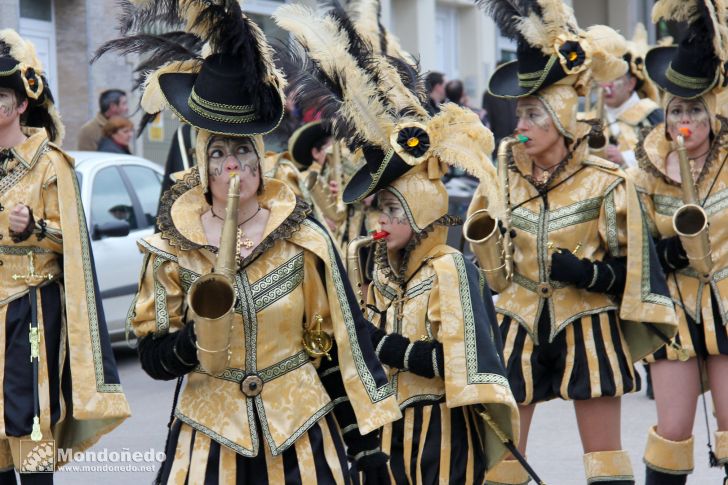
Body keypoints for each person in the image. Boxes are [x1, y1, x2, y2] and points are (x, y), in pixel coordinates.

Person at [102, 2, 401, 483]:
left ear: (261, 159)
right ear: (202, 165)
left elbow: (342, 350)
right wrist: (195, 340)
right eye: (217, 152)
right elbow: (154, 356)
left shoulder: (305, 240)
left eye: (243, 149)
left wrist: (367, 451)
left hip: (302, 433)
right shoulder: (172, 249)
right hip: (208, 437)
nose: (232, 164)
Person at [274, 3, 520, 483]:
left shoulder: (449, 269)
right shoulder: (364, 261)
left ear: (422, 210)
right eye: (377, 208)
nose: (379, 220)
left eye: (392, 209)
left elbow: (463, 362)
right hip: (383, 429)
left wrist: (382, 346)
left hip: (439, 437)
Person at [468, 2, 678, 484]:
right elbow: (487, 270)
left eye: (532, 115)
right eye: (519, 113)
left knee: (605, 460)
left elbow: (637, 270)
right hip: (516, 321)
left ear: (561, 120)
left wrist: (587, 275)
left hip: (587, 325)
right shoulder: (498, 175)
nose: (519, 125)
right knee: (502, 461)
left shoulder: (604, 181)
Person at [0, 29, 130, 483]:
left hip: (30, 311)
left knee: (30, 418)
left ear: (20, 104)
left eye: (0, 96)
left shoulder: (50, 163)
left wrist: (34, 227)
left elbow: (73, 241)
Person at [632, 2, 728, 483]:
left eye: (694, 110)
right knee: (670, 432)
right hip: (675, 311)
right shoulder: (645, 172)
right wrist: (662, 252)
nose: (683, 121)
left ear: (712, 114)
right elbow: (629, 240)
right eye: (675, 111)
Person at [598, 23, 664, 168]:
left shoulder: (651, 115)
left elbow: (664, 152)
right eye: (604, 79)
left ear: (630, 84)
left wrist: (625, 158)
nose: (607, 86)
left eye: (615, 79)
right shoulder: (591, 119)